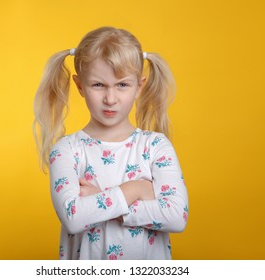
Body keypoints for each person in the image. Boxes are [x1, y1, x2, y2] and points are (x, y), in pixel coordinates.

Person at [33, 26, 188, 260]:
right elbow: (74, 217)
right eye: (98, 85)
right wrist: (135, 189)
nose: (110, 98)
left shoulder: (155, 146)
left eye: (122, 85)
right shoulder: (67, 150)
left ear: (139, 86)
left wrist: (101, 200)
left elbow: (176, 217)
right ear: (80, 86)